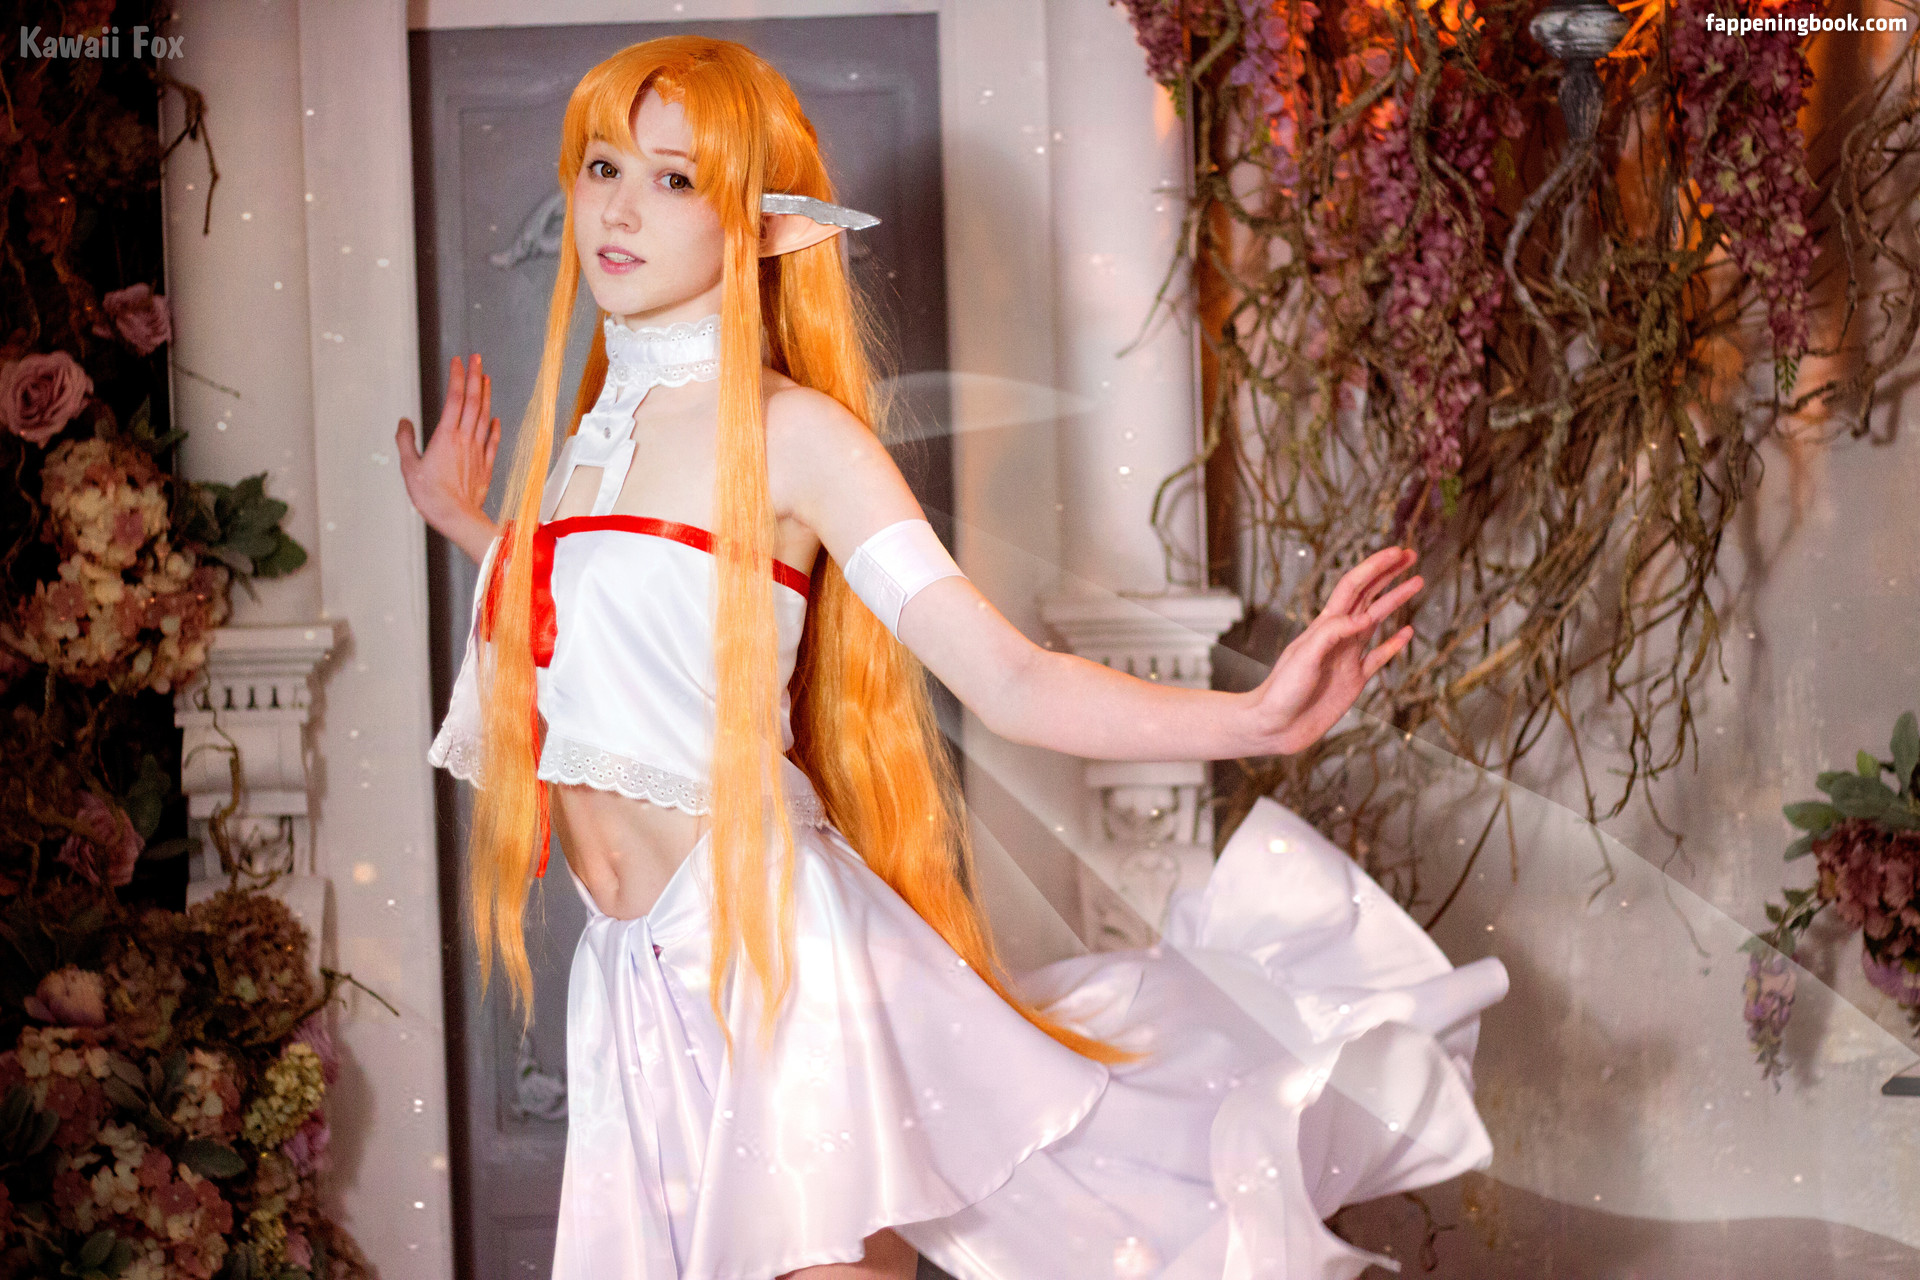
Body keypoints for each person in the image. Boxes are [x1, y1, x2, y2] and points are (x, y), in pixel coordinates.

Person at [397, 35, 1507, 1280]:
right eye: (603, 166)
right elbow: (602, 621)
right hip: (635, 975)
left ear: (761, 223)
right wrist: (471, 525)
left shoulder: (798, 435)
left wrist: (1253, 719)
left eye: (674, 178)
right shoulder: (587, 446)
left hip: (774, 955)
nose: (617, 207)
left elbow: (1008, 675)